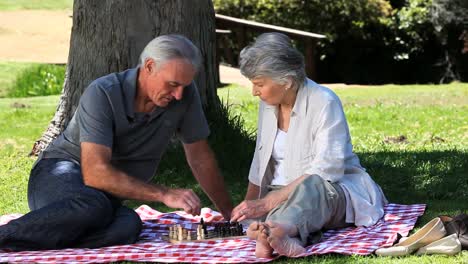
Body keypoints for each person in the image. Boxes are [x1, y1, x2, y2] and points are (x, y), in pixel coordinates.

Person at [0, 34, 233, 251]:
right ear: (149, 66)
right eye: (172, 84)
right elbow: (95, 174)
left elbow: (200, 157)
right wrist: (164, 194)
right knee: (94, 206)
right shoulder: (103, 92)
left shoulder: (184, 95)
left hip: (101, 198)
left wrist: (230, 215)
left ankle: (45, 234)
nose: (179, 94)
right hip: (58, 175)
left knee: (128, 225)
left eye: (185, 85)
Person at [230, 32, 387, 258]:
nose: (254, 92)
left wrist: (269, 202)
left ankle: (277, 230)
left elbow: (327, 170)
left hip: (330, 191)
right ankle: (274, 234)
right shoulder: (268, 104)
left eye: (259, 84)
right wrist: (251, 204)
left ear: (287, 81)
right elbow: (260, 160)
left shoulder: (324, 101)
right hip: (281, 194)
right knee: (267, 212)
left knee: (312, 188)